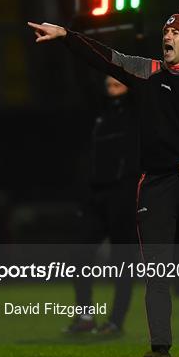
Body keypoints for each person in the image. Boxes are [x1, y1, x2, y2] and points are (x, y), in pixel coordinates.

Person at [28, 9, 179, 357]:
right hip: (156, 186)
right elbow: (106, 58)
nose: (167, 37)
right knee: (157, 271)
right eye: (166, 31)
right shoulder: (148, 73)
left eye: (176, 33)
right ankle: (160, 348)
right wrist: (66, 36)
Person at [65, 75, 138, 335]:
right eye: (107, 81)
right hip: (96, 198)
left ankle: (116, 321)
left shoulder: (138, 112)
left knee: (123, 262)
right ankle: (85, 316)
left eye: (117, 80)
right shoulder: (99, 115)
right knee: (79, 254)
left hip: (123, 198)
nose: (111, 85)